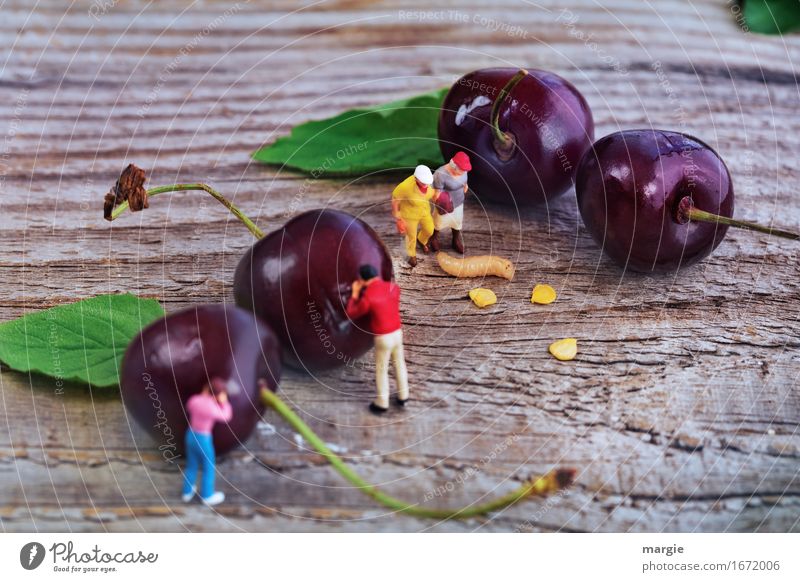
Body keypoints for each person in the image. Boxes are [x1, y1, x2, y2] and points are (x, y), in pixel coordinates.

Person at [346, 264, 409, 414]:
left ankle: (382, 402)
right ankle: (404, 395)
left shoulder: (368, 296)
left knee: (382, 369)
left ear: (362, 279)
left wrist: (355, 293)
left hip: (383, 337)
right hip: (397, 332)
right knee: (400, 364)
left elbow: (351, 312)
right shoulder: (393, 287)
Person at [181, 378, 233, 506]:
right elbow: (226, 416)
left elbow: (189, 407)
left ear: (205, 389)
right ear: (218, 395)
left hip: (190, 435)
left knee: (192, 464)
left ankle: (187, 492)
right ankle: (207, 495)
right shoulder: (212, 408)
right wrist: (224, 402)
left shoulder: (194, 400)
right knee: (208, 466)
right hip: (203, 439)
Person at [391, 164, 449, 267]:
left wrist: (439, 198)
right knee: (411, 236)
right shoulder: (405, 186)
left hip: (424, 211)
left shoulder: (429, 184)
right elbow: (395, 199)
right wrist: (398, 216)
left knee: (430, 230)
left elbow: (434, 194)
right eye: (423, 182)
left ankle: (422, 240)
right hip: (409, 215)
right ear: (416, 178)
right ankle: (411, 254)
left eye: (428, 183)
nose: (426, 185)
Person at [430, 152, 471, 254]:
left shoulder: (464, 171)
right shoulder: (441, 174)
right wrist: (437, 200)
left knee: (457, 222)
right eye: (462, 169)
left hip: (458, 201)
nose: (464, 171)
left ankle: (455, 240)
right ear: (454, 166)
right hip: (445, 204)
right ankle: (434, 238)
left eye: (465, 169)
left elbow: (464, 181)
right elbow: (436, 192)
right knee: (439, 222)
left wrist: (465, 186)